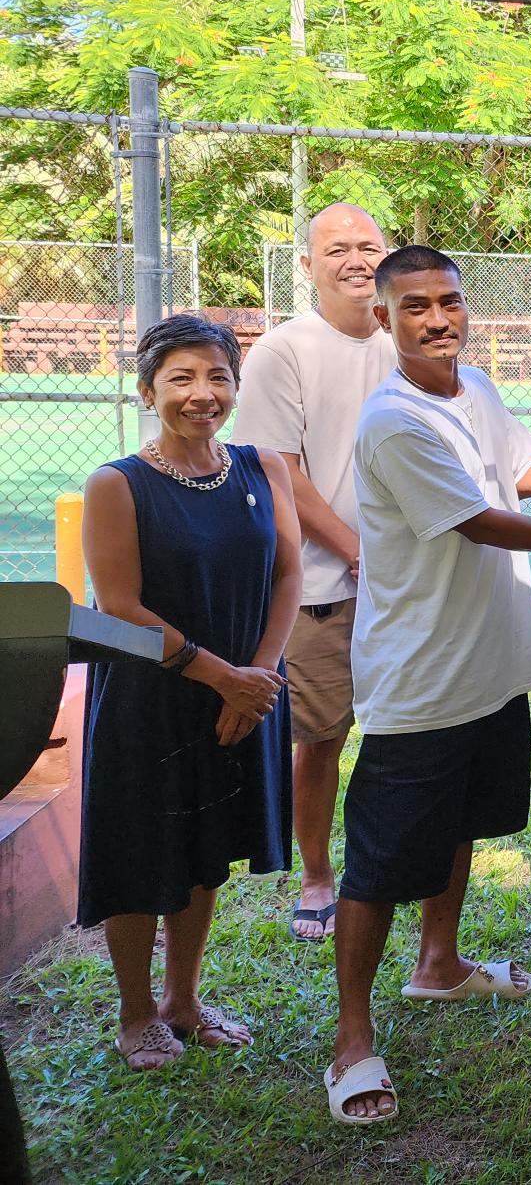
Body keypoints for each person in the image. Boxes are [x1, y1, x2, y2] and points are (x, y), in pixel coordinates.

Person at [326, 246, 531, 1124]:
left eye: (449, 301)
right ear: (383, 318)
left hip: (487, 663)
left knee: (463, 823)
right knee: (378, 863)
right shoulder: (393, 420)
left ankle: (439, 964)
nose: (438, 319)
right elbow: (481, 522)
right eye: (415, 307)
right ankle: (352, 1039)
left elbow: (524, 474)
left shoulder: (472, 388)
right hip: (421, 676)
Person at [79, 315, 300, 1070]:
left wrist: (257, 679)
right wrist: (225, 678)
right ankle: (136, 1013)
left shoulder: (263, 468)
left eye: (217, 377)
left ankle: (183, 1000)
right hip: (150, 698)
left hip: (245, 693)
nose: (202, 393)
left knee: (207, 846)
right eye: (181, 378)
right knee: (142, 850)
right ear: (148, 391)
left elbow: (289, 575)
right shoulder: (117, 484)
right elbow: (120, 606)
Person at [233, 202, 396, 943]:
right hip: (324, 590)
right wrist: (357, 549)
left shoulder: (408, 343)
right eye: (337, 249)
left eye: (368, 246)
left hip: (406, 586)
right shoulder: (283, 350)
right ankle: (318, 876)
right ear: (307, 266)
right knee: (321, 740)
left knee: (402, 734)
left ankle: (385, 863)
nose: (356, 260)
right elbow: (280, 471)